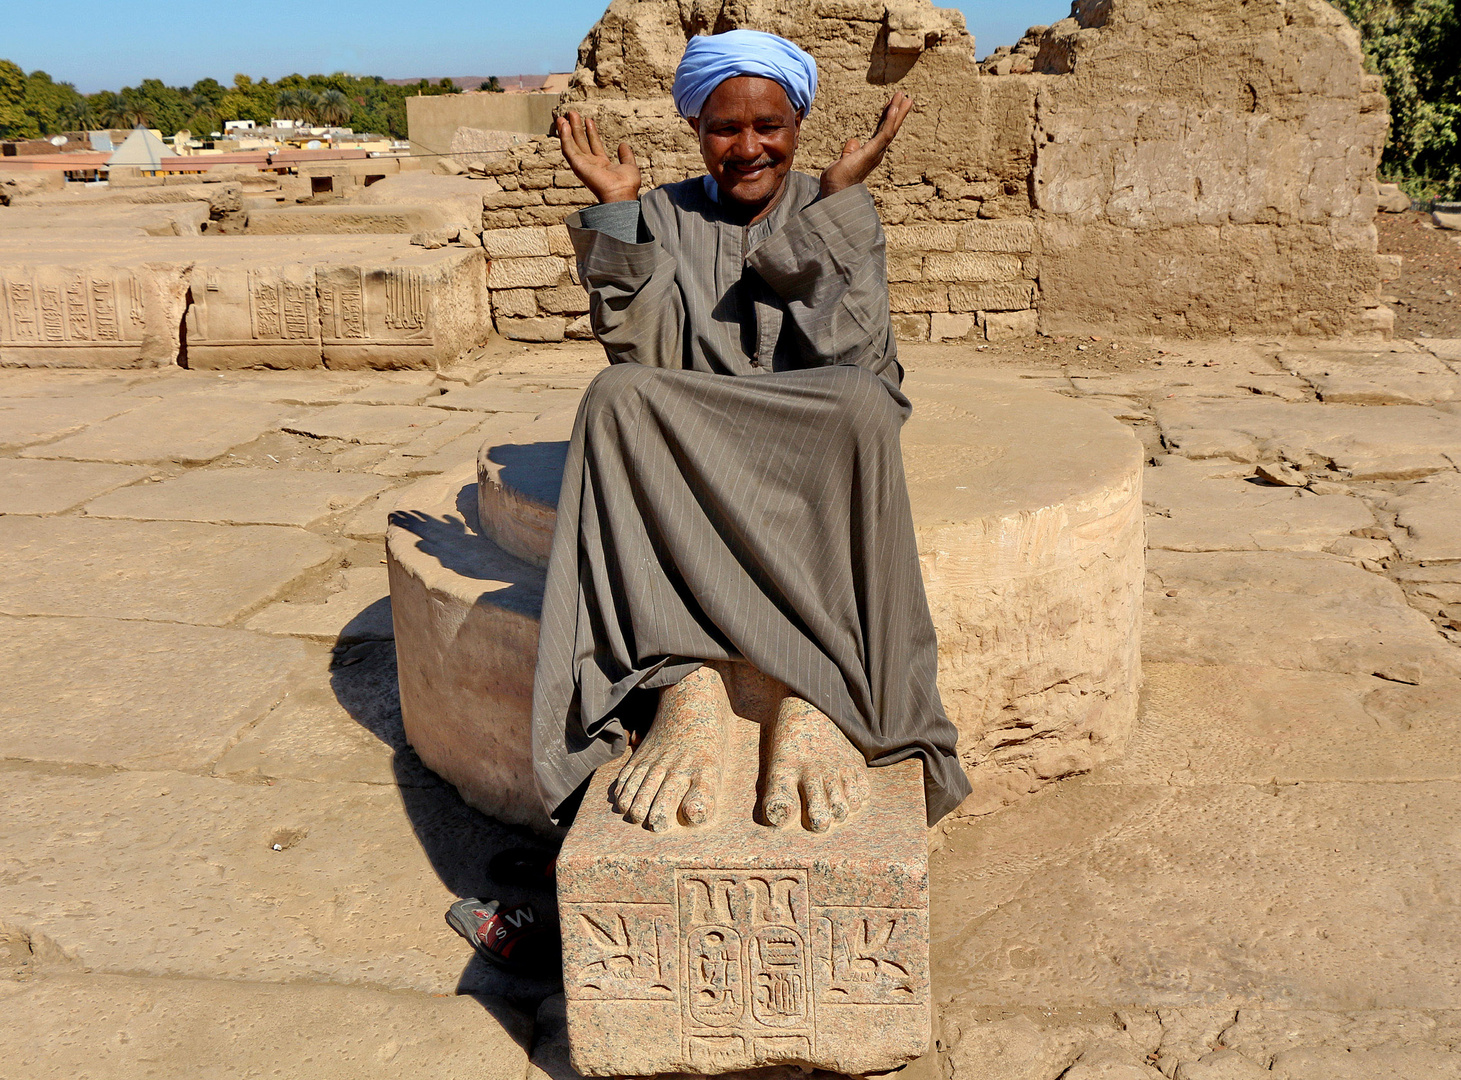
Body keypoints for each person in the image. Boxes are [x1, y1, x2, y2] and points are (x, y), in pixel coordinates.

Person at [530, 29, 972, 843]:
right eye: (723, 128)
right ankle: (683, 681)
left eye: (768, 124)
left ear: (796, 122)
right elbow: (645, 353)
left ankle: (816, 696)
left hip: (806, 430)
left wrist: (835, 206)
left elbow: (862, 364)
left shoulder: (833, 204)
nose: (747, 147)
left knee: (861, 404)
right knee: (615, 396)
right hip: (696, 430)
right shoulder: (661, 210)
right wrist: (622, 217)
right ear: (696, 130)